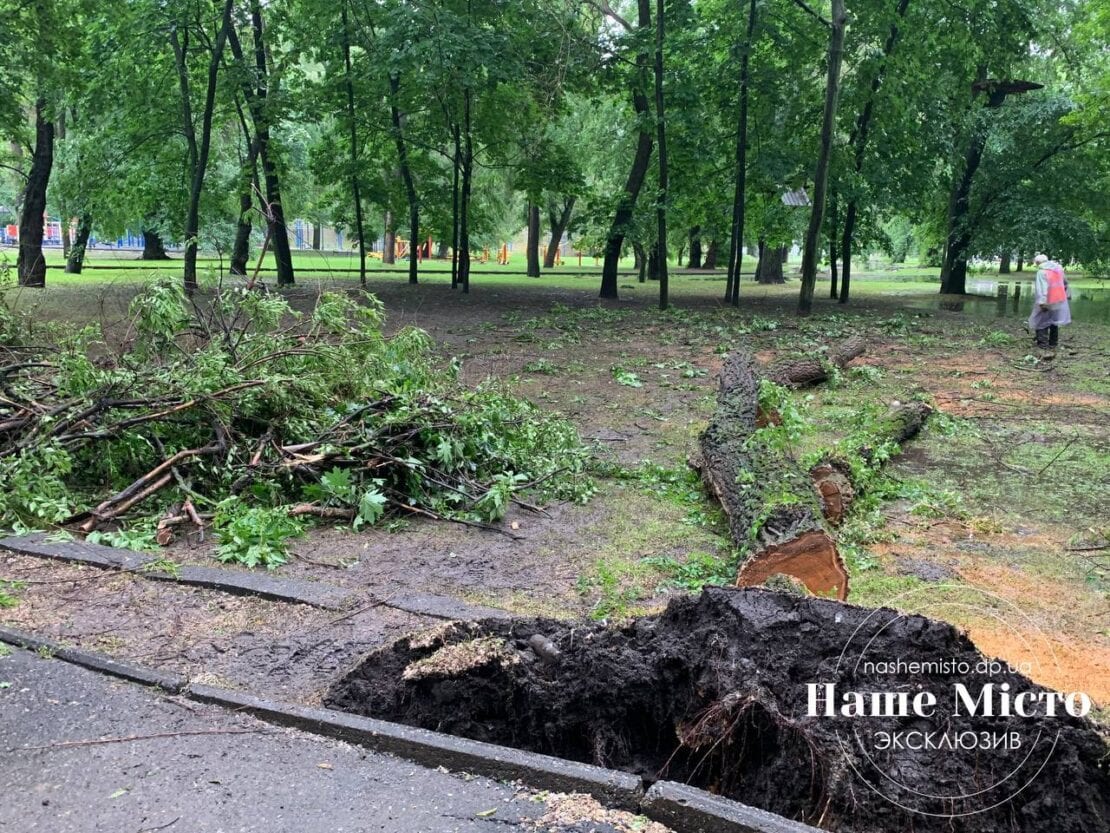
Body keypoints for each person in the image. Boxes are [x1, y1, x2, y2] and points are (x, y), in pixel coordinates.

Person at [1028, 253, 1071, 350]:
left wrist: (1042, 303)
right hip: (1059, 300)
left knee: (1040, 321)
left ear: (1038, 262)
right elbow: (1065, 283)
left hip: (1048, 300)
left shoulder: (1041, 272)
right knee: (1053, 321)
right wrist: (1067, 295)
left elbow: (1042, 289)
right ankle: (1053, 343)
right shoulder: (1058, 269)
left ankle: (1043, 344)